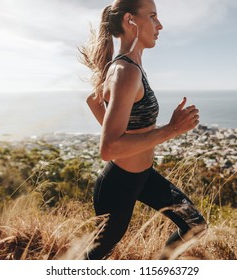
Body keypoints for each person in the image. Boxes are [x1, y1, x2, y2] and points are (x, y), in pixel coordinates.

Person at [79, 0, 207, 260]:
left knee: (195, 225)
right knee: (96, 257)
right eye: (152, 16)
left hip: (144, 177)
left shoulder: (129, 67)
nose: (159, 25)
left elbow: (93, 99)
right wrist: (171, 129)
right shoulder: (125, 71)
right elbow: (109, 148)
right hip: (118, 185)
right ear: (130, 20)